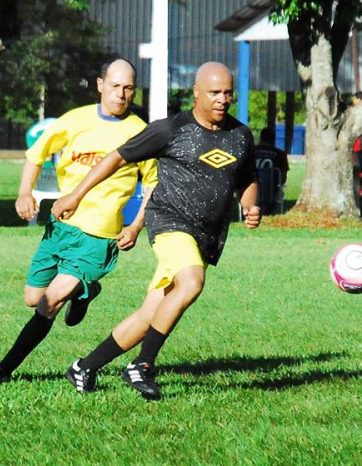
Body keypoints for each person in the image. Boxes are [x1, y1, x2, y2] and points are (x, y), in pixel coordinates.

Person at [52, 62, 261, 399]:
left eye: (227, 93)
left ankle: (85, 366)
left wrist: (250, 206)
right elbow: (117, 158)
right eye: (214, 92)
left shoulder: (240, 136)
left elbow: (248, 177)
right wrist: (76, 194)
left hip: (206, 236)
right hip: (169, 223)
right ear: (196, 93)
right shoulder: (171, 129)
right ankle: (143, 364)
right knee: (191, 282)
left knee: (153, 313)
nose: (222, 99)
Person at [0, 59, 158, 383]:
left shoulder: (139, 132)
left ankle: (3, 369)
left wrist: (136, 225)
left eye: (128, 88)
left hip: (98, 237)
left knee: (49, 303)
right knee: (33, 298)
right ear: (100, 84)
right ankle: (86, 291)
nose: (121, 94)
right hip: (62, 226)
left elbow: (152, 184)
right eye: (115, 86)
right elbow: (35, 155)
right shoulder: (75, 120)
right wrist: (24, 193)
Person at [254, 128, 289, 214]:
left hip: (252, 190)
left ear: (261, 138)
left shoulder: (250, 151)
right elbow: (283, 179)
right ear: (273, 139)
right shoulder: (280, 154)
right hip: (272, 192)